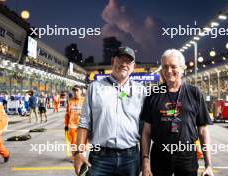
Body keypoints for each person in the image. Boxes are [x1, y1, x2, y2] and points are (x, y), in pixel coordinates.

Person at [141, 49, 214, 176]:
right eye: (165, 67)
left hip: (187, 156)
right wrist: (145, 164)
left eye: (173, 66)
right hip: (160, 156)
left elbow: (202, 131)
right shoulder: (153, 94)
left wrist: (208, 165)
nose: (169, 71)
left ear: (182, 68)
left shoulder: (194, 93)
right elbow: (146, 132)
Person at [74, 46, 145, 176]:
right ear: (113, 62)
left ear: (133, 66)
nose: (124, 64)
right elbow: (84, 123)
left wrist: (145, 159)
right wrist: (79, 152)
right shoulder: (94, 88)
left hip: (130, 158)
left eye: (128, 61)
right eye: (120, 59)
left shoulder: (141, 91)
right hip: (99, 158)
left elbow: (144, 128)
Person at [64, 85, 84, 161]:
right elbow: (67, 114)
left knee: (82, 143)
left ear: (81, 91)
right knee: (73, 143)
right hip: (72, 126)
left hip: (82, 126)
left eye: (77, 90)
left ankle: (81, 156)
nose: (75, 92)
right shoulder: (70, 101)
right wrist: (66, 125)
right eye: (74, 91)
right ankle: (74, 157)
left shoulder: (85, 101)